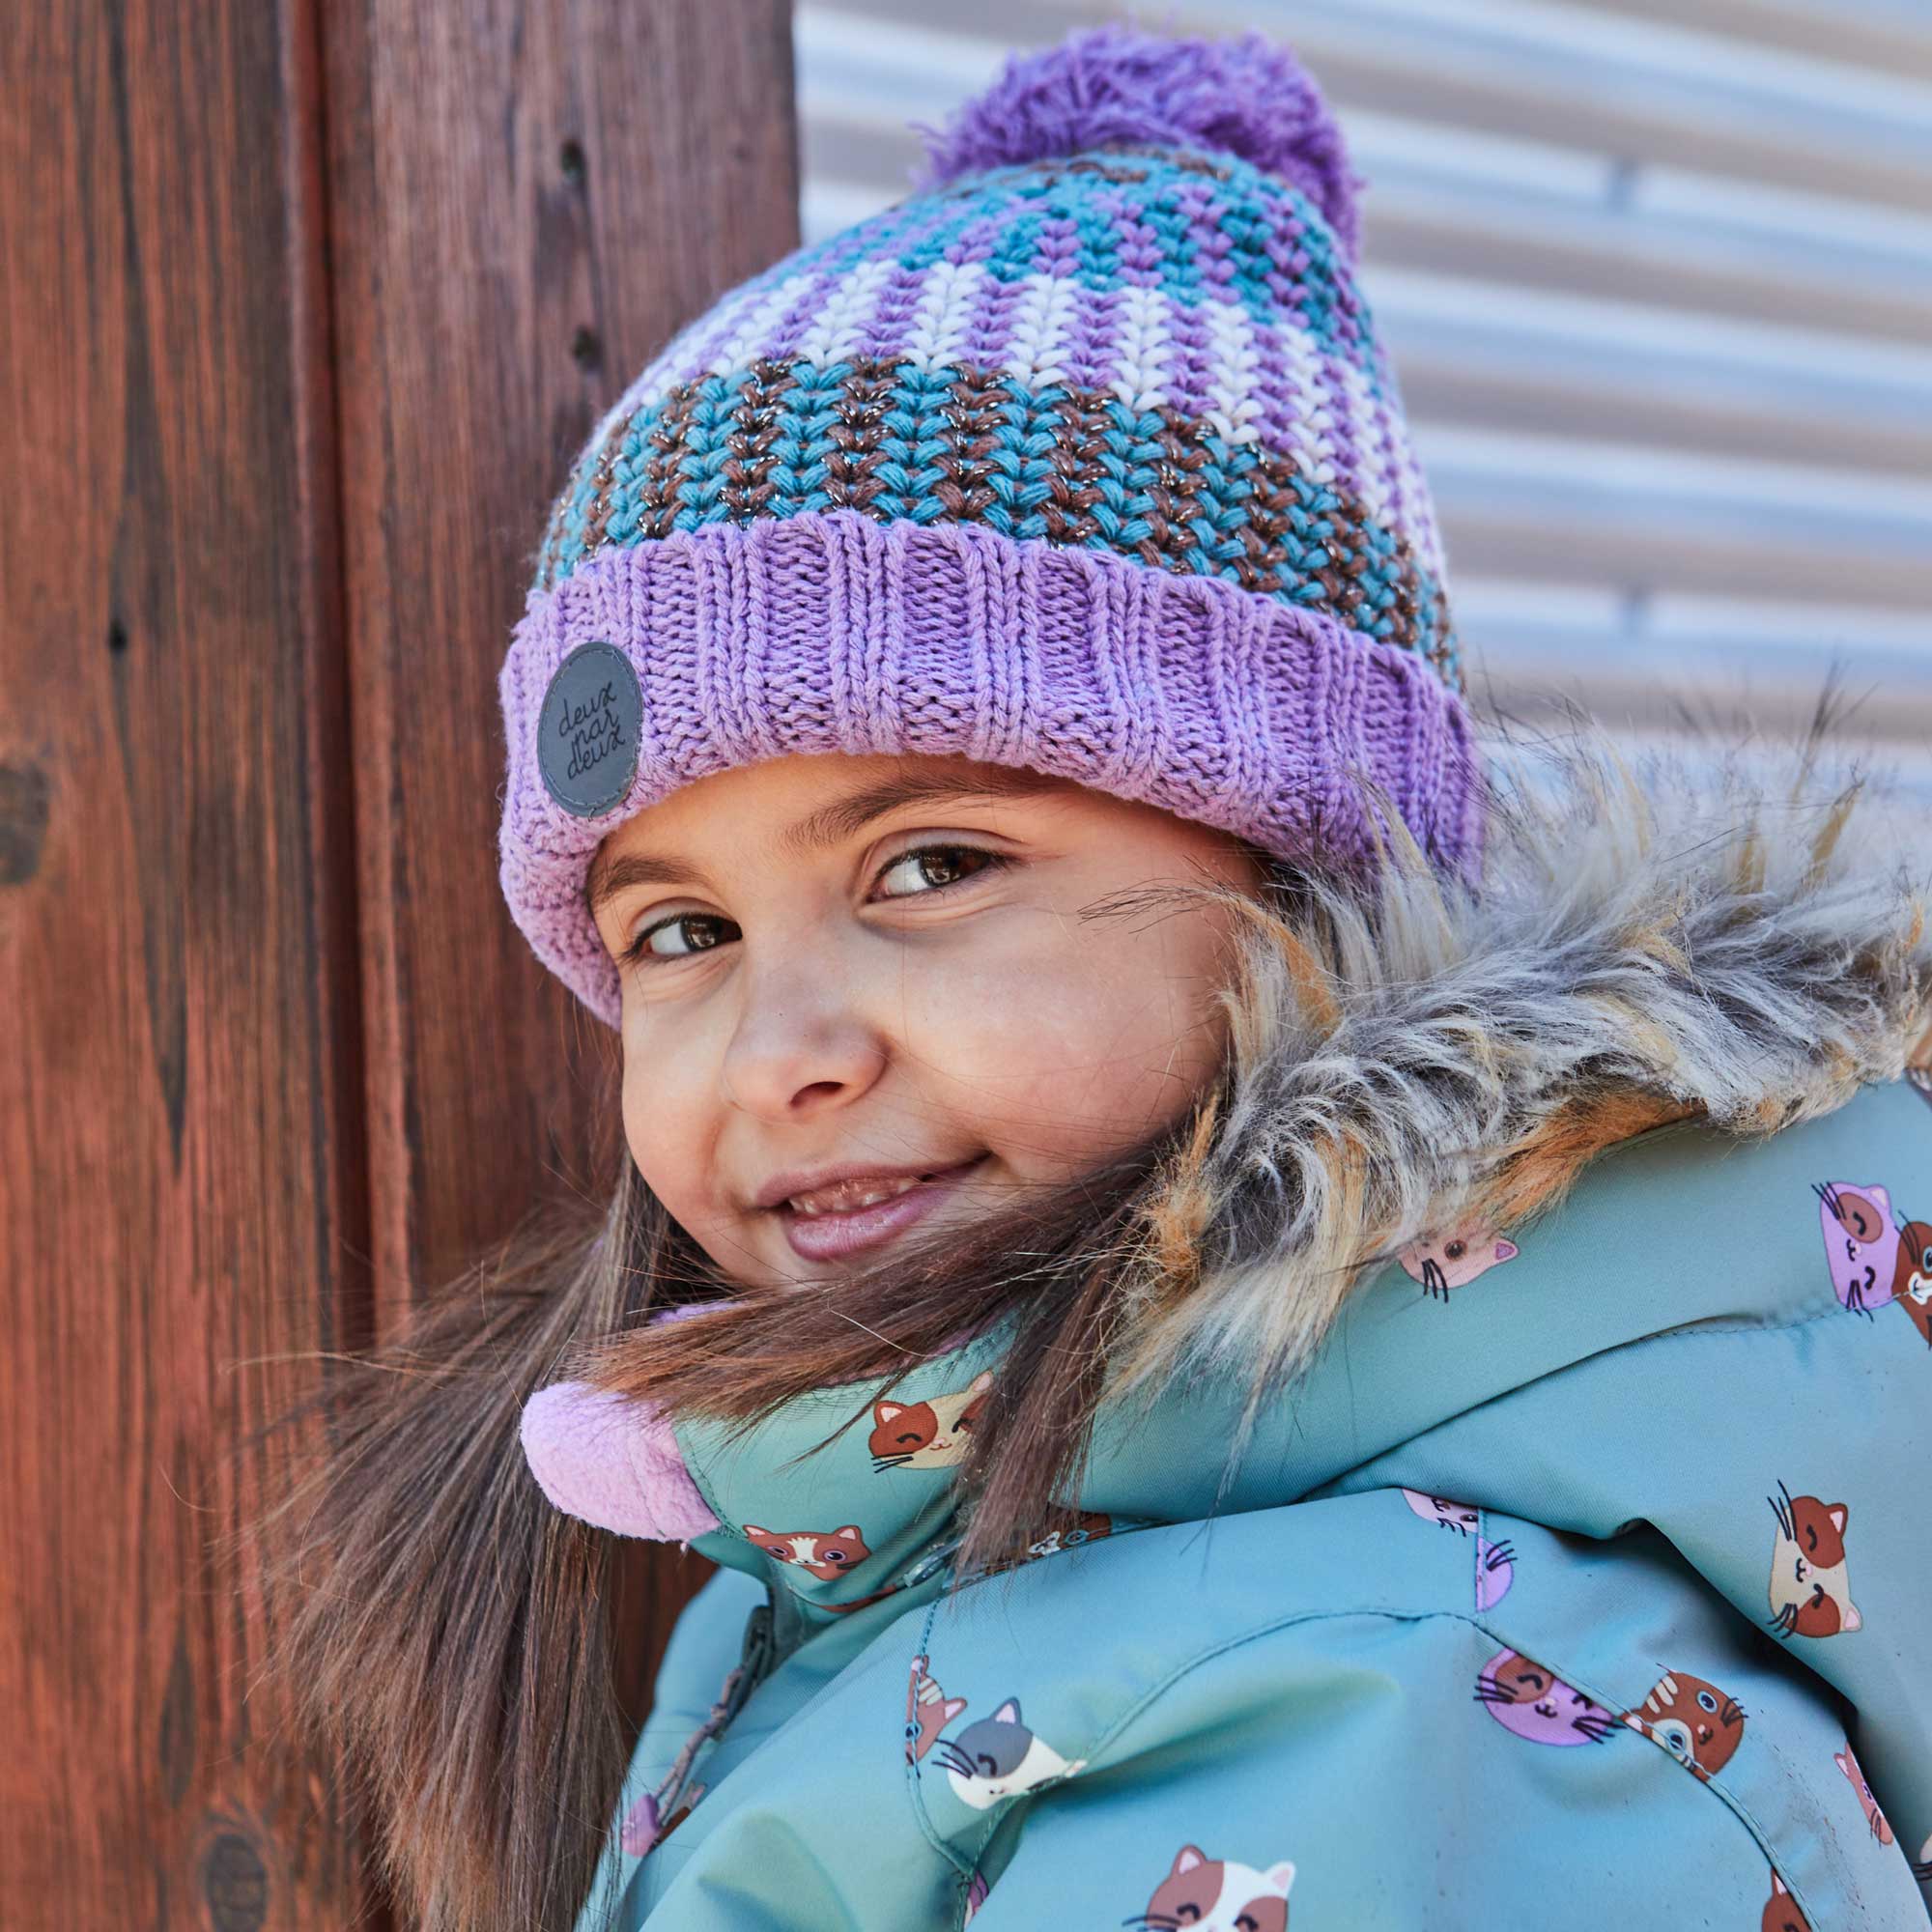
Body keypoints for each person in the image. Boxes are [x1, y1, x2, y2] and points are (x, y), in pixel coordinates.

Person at [273, 24, 1932, 1932]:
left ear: (1310, 887)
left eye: (932, 865)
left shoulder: (1415, 1732)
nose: (779, 1052)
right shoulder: (847, 1539)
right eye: (680, 930)